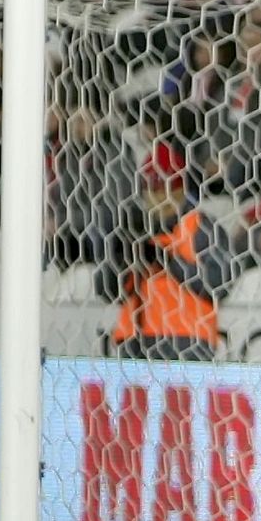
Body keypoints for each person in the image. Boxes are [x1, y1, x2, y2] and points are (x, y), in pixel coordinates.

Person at [97, 141, 234, 361]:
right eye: (153, 190)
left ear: (182, 190)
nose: (160, 198)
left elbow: (221, 283)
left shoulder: (201, 227)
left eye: (169, 188)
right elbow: (105, 290)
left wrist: (171, 262)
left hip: (187, 341)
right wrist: (121, 259)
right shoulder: (133, 229)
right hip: (135, 340)